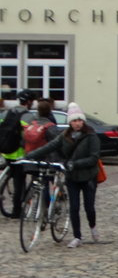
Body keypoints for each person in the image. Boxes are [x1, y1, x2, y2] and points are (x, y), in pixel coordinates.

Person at [25, 102, 100, 248]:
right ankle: (77, 236)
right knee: (74, 207)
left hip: (89, 177)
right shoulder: (65, 136)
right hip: (72, 177)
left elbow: (94, 158)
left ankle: (93, 226)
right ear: (70, 122)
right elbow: (49, 146)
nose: (77, 123)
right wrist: (30, 155)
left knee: (89, 207)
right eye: (74, 120)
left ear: (83, 121)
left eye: (79, 120)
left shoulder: (91, 136)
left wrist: (75, 164)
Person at [0, 89, 38, 217]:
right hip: (19, 154)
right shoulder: (28, 116)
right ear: (29, 102)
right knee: (19, 184)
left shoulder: (6, 113)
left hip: (5, 151)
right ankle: (16, 211)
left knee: (12, 176)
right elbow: (30, 136)